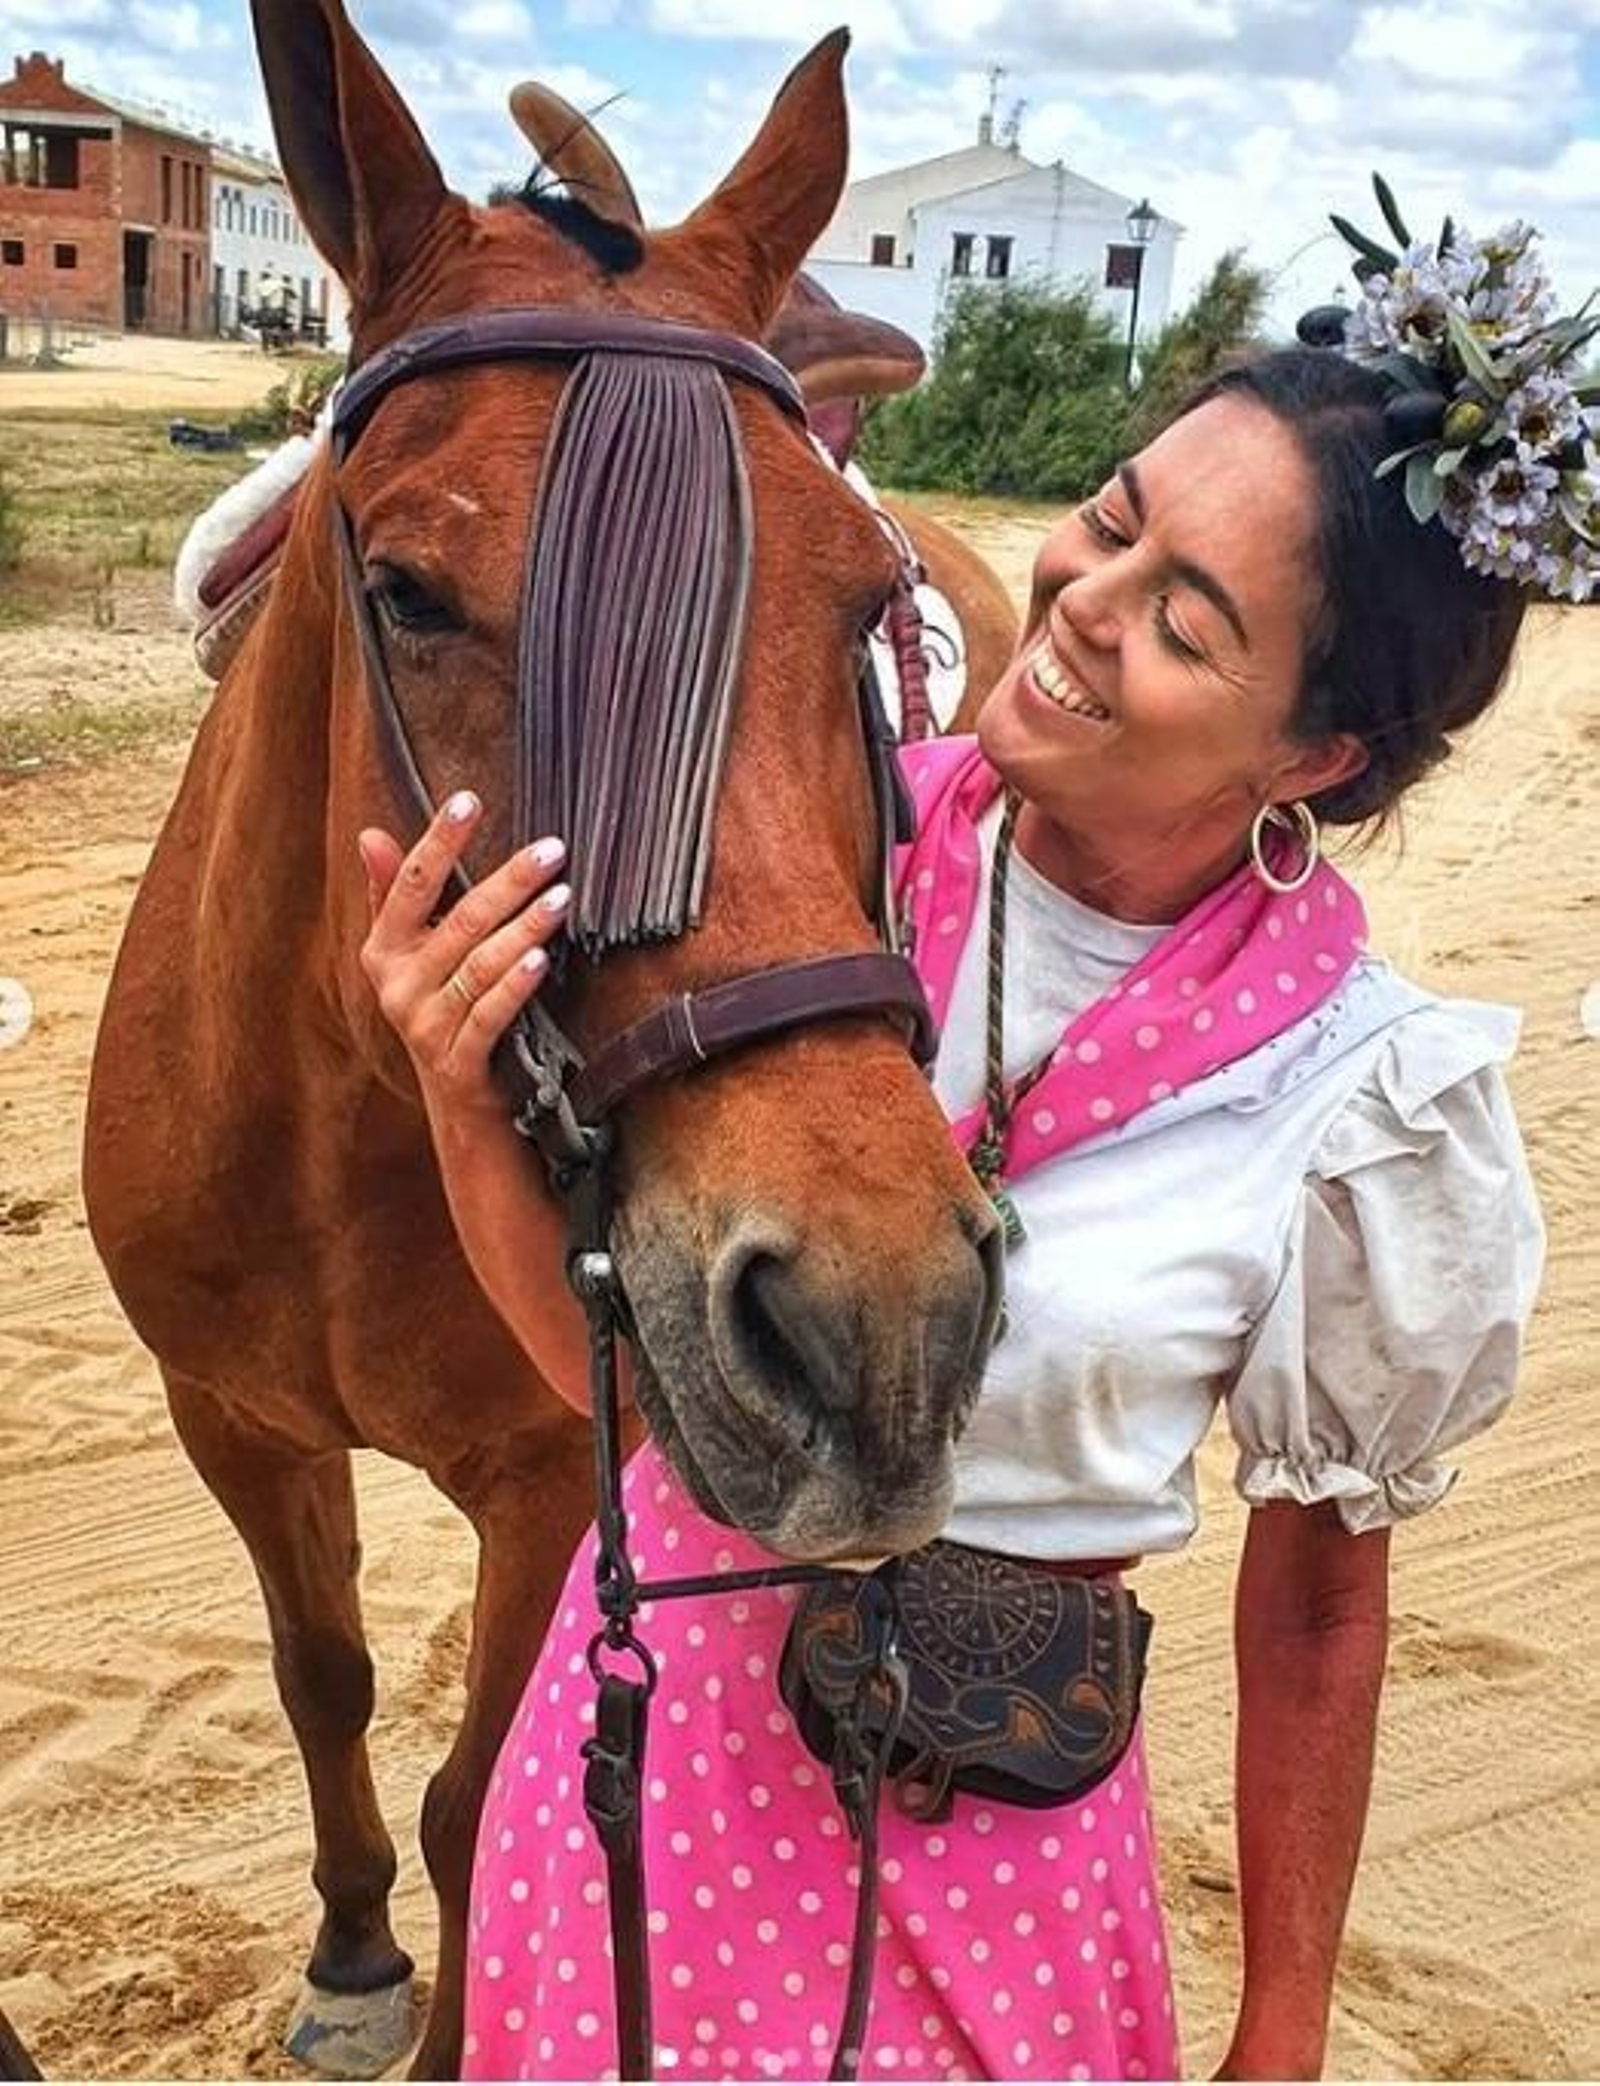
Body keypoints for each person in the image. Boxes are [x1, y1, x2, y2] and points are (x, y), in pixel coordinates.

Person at [358, 205, 1585, 2080]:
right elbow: (612, 1408)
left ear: (1313, 757)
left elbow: (1322, 1605)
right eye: (1112, 517)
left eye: (1187, 617)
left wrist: (1282, 2026)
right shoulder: (798, 867)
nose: (1086, 599)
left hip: (1000, 1865)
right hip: (643, 1805)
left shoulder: (1357, 1096)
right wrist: (460, 1091)